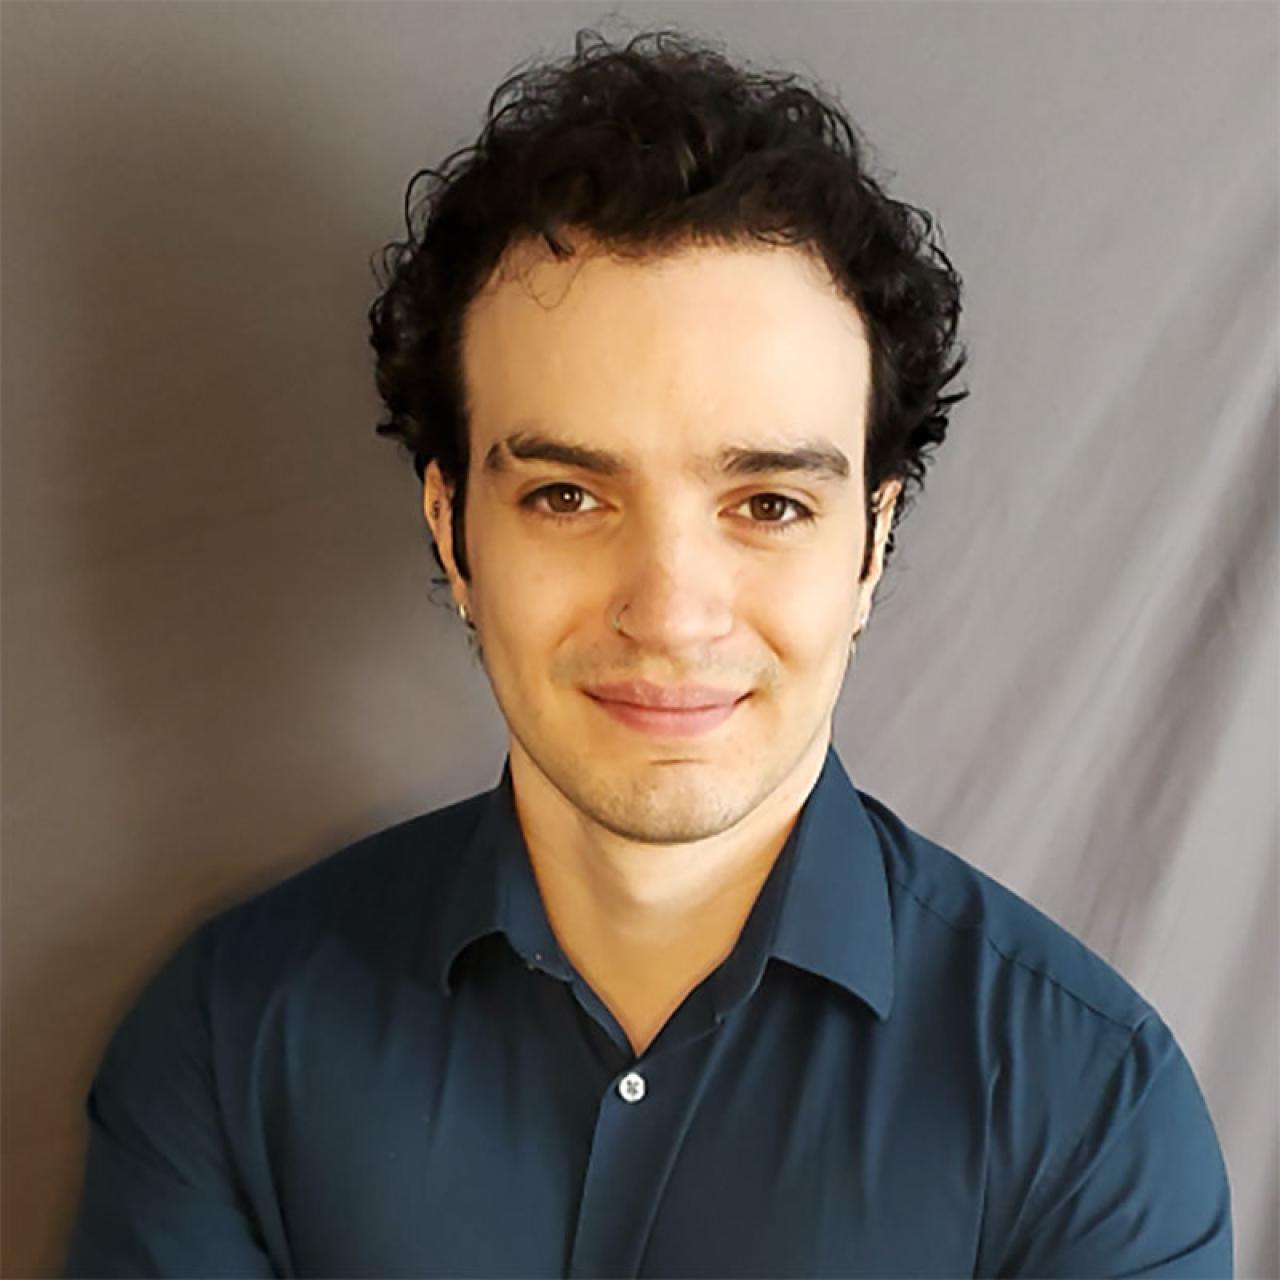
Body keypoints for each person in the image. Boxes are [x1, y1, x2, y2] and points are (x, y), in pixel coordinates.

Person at [63, 26, 1232, 1278]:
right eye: (567, 495)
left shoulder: (1087, 1112)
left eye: (767, 504)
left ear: (870, 541)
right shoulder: (228, 1040)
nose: (671, 613)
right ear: (451, 527)